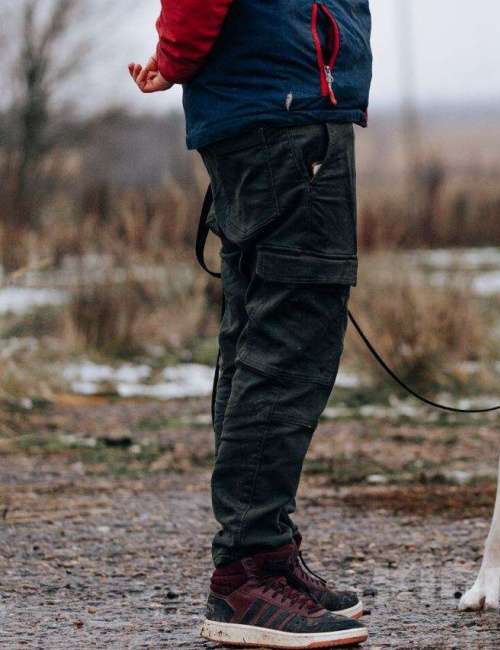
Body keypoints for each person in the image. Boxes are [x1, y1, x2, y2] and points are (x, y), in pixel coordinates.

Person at [129, 1, 372, 647]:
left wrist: (176, 60)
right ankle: (243, 577)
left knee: (260, 336)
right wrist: (177, 56)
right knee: (289, 343)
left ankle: (264, 560)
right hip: (283, 116)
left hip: (277, 110)